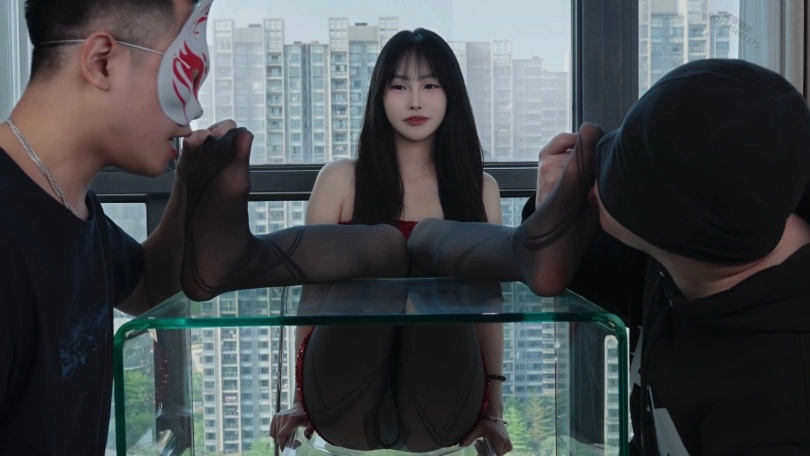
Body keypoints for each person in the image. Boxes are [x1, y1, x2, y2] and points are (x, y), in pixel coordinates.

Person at [407, 58, 810, 455]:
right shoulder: (691, 247)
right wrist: (548, 217)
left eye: (620, 168)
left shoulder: (781, 404)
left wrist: (542, 238)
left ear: (662, 222)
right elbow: (438, 240)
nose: (595, 161)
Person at [0, 0, 238, 453]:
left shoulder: (71, 201)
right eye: (182, 75)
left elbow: (148, 287)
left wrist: (190, 183)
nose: (193, 109)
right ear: (101, 62)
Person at [266, 28, 512, 455]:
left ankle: (261, 255)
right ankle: (402, 247)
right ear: (380, 96)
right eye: (399, 86)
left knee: (434, 251)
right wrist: (298, 399)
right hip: (345, 401)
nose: (415, 101)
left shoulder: (479, 189)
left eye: (430, 85)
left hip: (440, 403)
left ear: (451, 95)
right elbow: (314, 296)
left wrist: (495, 409)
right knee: (385, 248)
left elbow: (488, 307)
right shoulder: (340, 179)